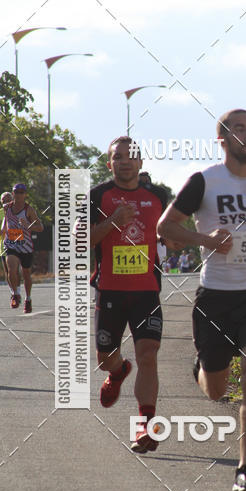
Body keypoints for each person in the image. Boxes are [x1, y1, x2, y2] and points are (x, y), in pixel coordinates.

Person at [157, 108, 246, 491]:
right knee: (216, 390)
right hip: (216, 297)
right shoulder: (204, 181)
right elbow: (165, 227)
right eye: (239, 129)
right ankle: (202, 367)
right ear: (222, 140)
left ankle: (245, 468)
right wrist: (206, 240)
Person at [89, 136, 167, 453]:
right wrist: (112, 221)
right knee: (105, 358)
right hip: (110, 290)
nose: (124, 161)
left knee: (148, 355)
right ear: (110, 163)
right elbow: (81, 240)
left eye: (130, 156)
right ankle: (118, 371)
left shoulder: (158, 196)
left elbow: (171, 231)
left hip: (146, 291)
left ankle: (145, 426)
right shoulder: (97, 195)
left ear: (140, 162)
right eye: (118, 157)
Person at [1, 183, 43, 312]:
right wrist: (3, 230)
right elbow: (6, 221)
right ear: (13, 193)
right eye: (16, 192)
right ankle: (15, 294)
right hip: (11, 244)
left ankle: (28, 299)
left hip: (25, 246)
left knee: (26, 274)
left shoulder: (29, 209)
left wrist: (28, 225)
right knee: (11, 268)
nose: (19, 195)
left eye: (21, 192)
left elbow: (40, 227)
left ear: (25, 195)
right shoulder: (7, 207)